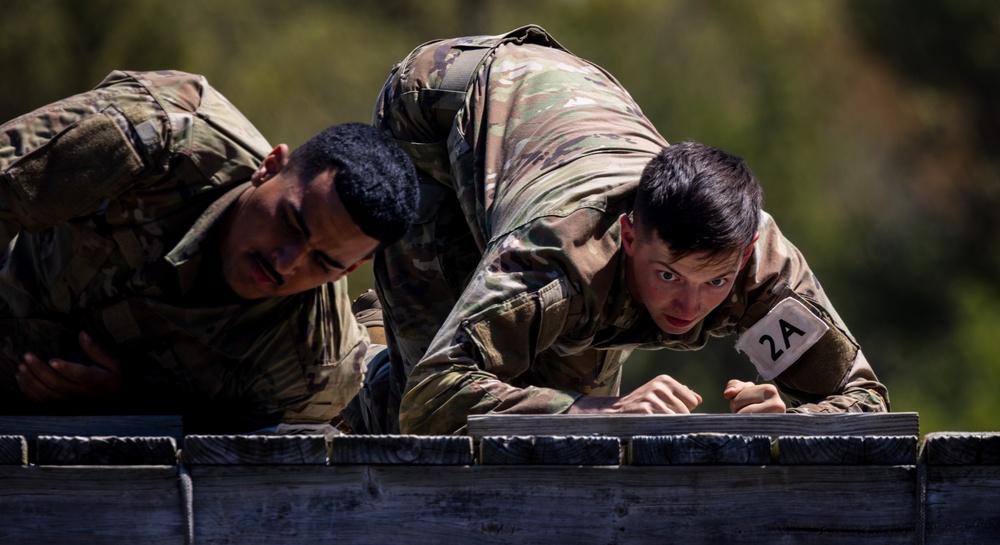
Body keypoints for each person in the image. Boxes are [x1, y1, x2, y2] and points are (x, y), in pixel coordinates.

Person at [345, 25, 888, 436]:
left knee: (580, 440)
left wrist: (792, 418)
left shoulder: (764, 268)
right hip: (440, 103)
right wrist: (599, 410)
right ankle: (362, 350)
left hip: (573, 109)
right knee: (414, 424)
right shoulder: (557, 259)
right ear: (629, 237)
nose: (689, 304)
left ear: (744, 257)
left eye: (715, 283)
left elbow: (864, 400)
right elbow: (434, 396)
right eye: (668, 274)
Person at [0, 69, 418, 432]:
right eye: (291, 224)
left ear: (350, 270)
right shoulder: (160, 135)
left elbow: (228, 456)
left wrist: (125, 403)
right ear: (270, 166)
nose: (286, 262)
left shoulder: (315, 368)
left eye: (323, 262)